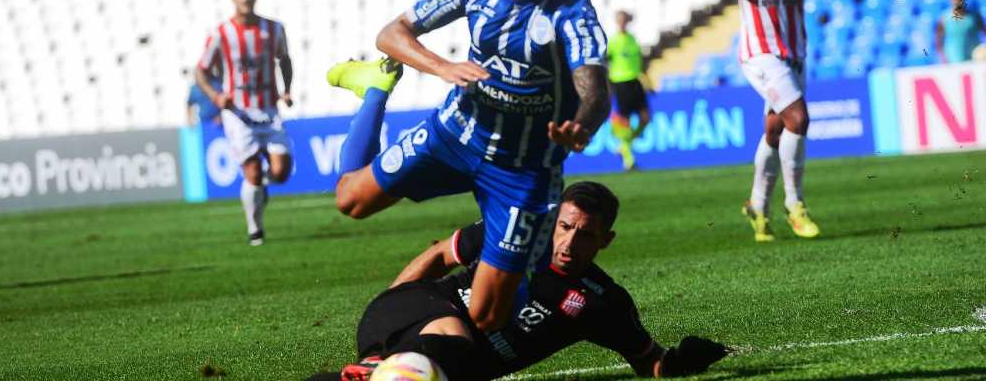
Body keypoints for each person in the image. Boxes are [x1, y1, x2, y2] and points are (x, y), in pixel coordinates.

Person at [327, 0, 611, 333]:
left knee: (487, 317)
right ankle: (377, 87)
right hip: (455, 133)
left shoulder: (572, 8)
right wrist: (441, 66)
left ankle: (508, 279)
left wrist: (582, 124)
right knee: (350, 200)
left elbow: (595, 91)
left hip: (522, 170)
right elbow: (392, 33)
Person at [307, 182, 729, 381]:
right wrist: (392, 299)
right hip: (414, 312)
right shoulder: (518, 235)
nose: (568, 241)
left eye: (584, 235)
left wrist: (683, 362)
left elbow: (649, 362)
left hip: (452, 364)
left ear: (606, 240)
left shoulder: (604, 303)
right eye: (564, 227)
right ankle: (380, 367)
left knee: (449, 363)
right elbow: (439, 255)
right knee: (454, 337)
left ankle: (369, 371)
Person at [698, 0, 823, 242]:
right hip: (760, 51)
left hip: (795, 48)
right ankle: (795, 204)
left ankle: (757, 207)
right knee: (798, 119)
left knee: (775, 132)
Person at [195, 0, 294, 246]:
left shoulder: (273, 29)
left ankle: (261, 189)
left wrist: (287, 89)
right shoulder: (221, 33)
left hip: (268, 110)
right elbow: (200, 71)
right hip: (238, 113)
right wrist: (216, 95)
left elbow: (284, 59)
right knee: (251, 171)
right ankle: (255, 231)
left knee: (282, 172)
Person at [606, 10, 651, 171]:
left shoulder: (633, 39)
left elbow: (640, 62)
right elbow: (605, 61)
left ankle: (624, 146)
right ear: (617, 22)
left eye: (625, 20)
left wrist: (648, 82)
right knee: (624, 121)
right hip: (620, 82)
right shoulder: (613, 41)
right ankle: (628, 159)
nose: (623, 23)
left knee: (645, 118)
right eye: (620, 21)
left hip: (635, 81)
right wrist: (608, 85)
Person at [936, 0, 986, 64]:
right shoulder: (944, 19)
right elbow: (938, 43)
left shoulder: (975, 16)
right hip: (954, 62)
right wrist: (944, 59)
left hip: (974, 61)